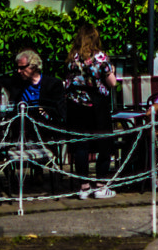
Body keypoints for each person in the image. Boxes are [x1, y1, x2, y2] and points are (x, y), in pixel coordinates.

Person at [63, 22, 118, 197]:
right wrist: (112, 70)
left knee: (81, 145)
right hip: (96, 104)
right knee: (104, 142)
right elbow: (112, 83)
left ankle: (84, 187)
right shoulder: (100, 57)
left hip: (76, 104)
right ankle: (101, 186)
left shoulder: (73, 58)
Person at [0, 48, 62, 114]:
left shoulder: (53, 84)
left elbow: (59, 111)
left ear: (33, 66)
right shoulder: (18, 82)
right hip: (21, 123)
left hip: (43, 124)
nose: (19, 71)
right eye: (18, 67)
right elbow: (0, 81)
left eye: (22, 67)